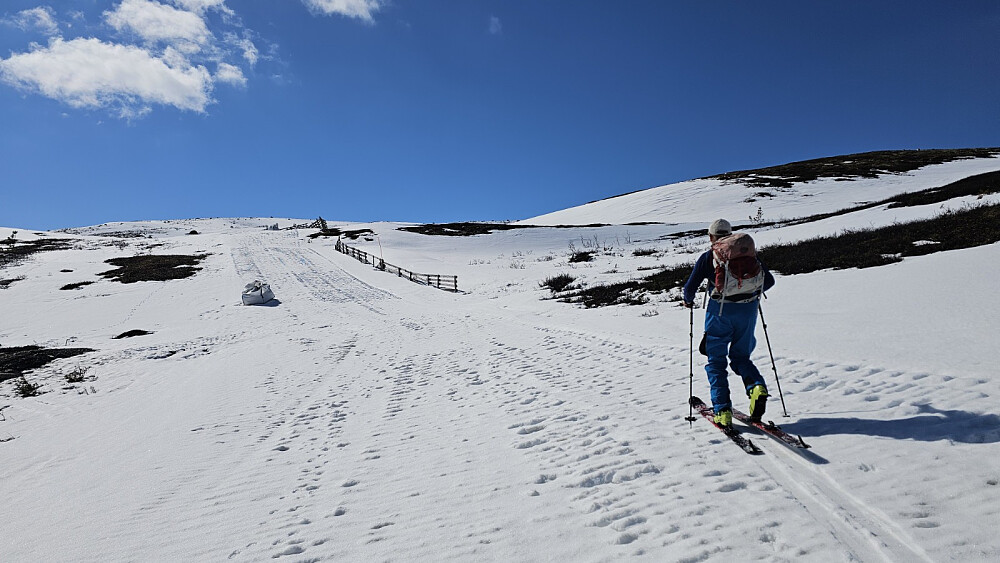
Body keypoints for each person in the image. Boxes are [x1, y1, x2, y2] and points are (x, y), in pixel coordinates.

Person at [682, 218, 775, 427]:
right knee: (741, 357)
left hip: (720, 312)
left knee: (716, 361)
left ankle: (722, 410)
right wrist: (747, 293)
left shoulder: (708, 257)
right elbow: (768, 281)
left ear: (711, 237)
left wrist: (688, 301)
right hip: (748, 311)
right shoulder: (747, 253)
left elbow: (690, 288)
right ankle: (757, 386)